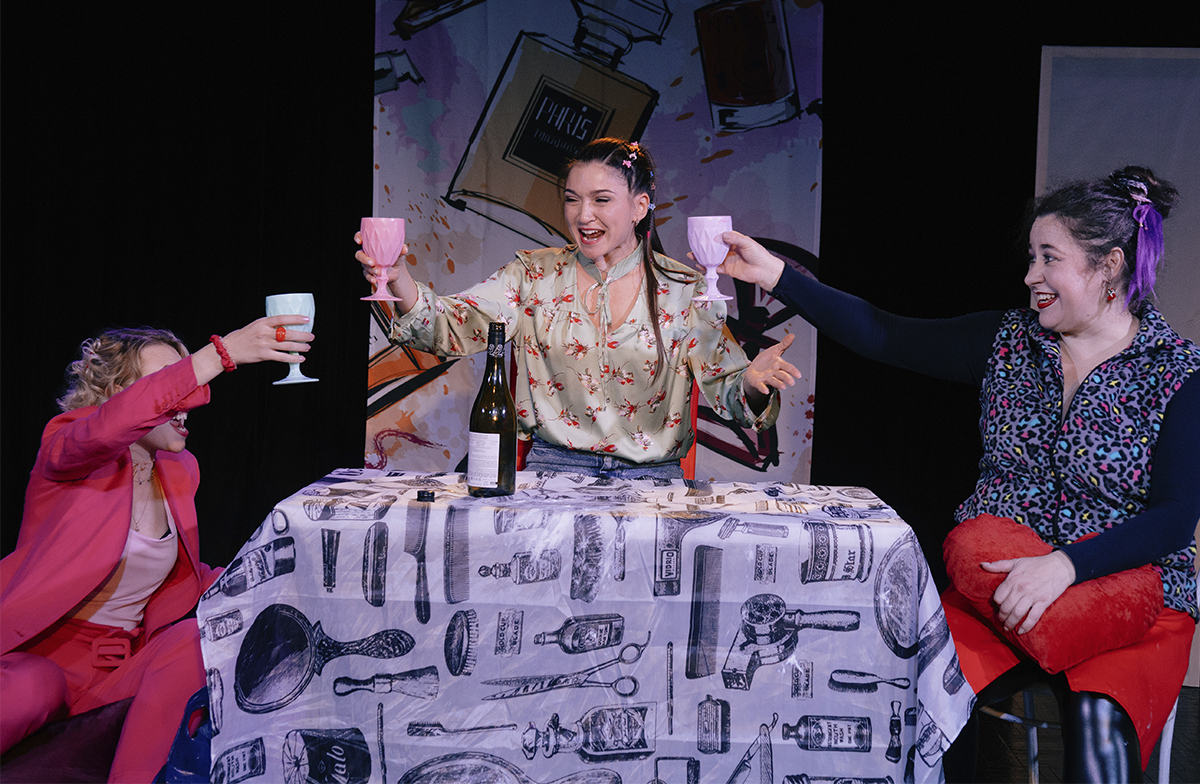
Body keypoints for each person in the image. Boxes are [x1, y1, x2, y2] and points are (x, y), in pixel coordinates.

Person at [716, 166, 1199, 781]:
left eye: (1049, 258)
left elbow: (1174, 518)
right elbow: (883, 334)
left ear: (1108, 267)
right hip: (1000, 588)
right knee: (927, 703)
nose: (1030, 276)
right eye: (1031, 257)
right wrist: (779, 276)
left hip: (1127, 596)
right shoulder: (1006, 342)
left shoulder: (1178, 372)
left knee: (1099, 723)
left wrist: (1065, 566)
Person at [355, 137, 800, 479]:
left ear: (640, 207)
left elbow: (732, 393)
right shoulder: (533, 275)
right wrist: (397, 277)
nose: (583, 215)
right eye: (572, 199)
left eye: (601, 200)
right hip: (553, 475)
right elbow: (449, 326)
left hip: (652, 485)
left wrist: (754, 383)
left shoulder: (683, 289)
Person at [1, 316, 314, 782]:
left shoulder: (180, 469)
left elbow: (184, 575)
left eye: (184, 378)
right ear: (117, 393)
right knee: (34, 687)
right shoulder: (67, 447)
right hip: (34, 661)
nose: (189, 396)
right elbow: (107, 429)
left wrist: (282, 578)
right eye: (169, 381)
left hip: (116, 669)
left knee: (193, 641)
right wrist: (221, 354)